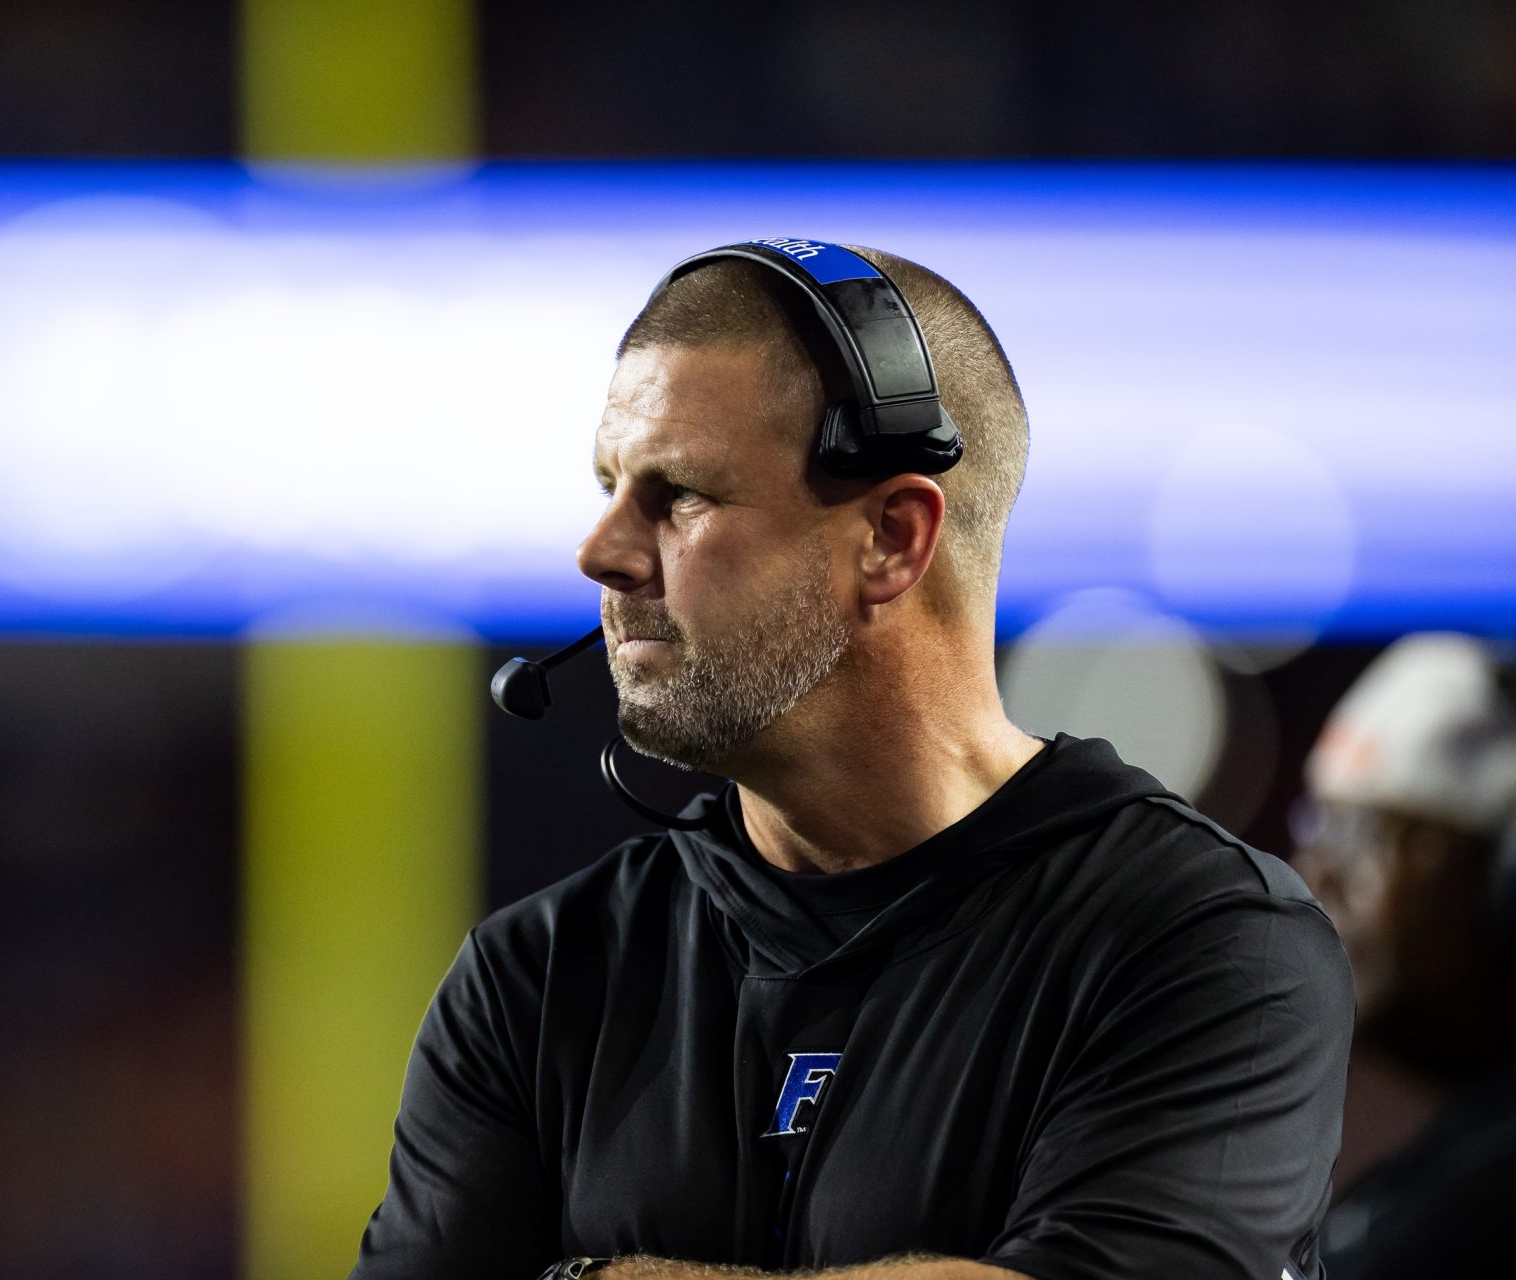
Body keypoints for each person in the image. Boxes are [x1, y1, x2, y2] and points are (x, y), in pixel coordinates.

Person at [350, 242, 1353, 1280]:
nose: (601, 548)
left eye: (680, 493)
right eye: (609, 485)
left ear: (891, 535)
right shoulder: (539, 974)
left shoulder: (1206, 940)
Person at [1291, 633, 1516, 1278]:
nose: (1315, 872)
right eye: (1316, 823)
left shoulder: (1479, 1206)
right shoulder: (1459, 1160)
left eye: (1357, 830)